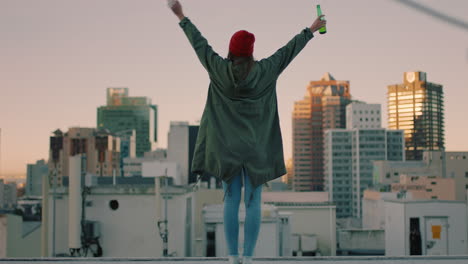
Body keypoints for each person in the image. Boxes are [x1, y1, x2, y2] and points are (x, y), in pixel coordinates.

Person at [168, 1, 326, 263]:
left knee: (231, 199)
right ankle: (248, 256)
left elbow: (199, 44)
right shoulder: (265, 71)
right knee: (254, 201)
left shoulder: (218, 69)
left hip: (226, 147)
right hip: (256, 147)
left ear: (231, 50)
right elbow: (288, 51)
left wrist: (182, 16)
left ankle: (232, 256)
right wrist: (312, 28)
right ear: (251, 52)